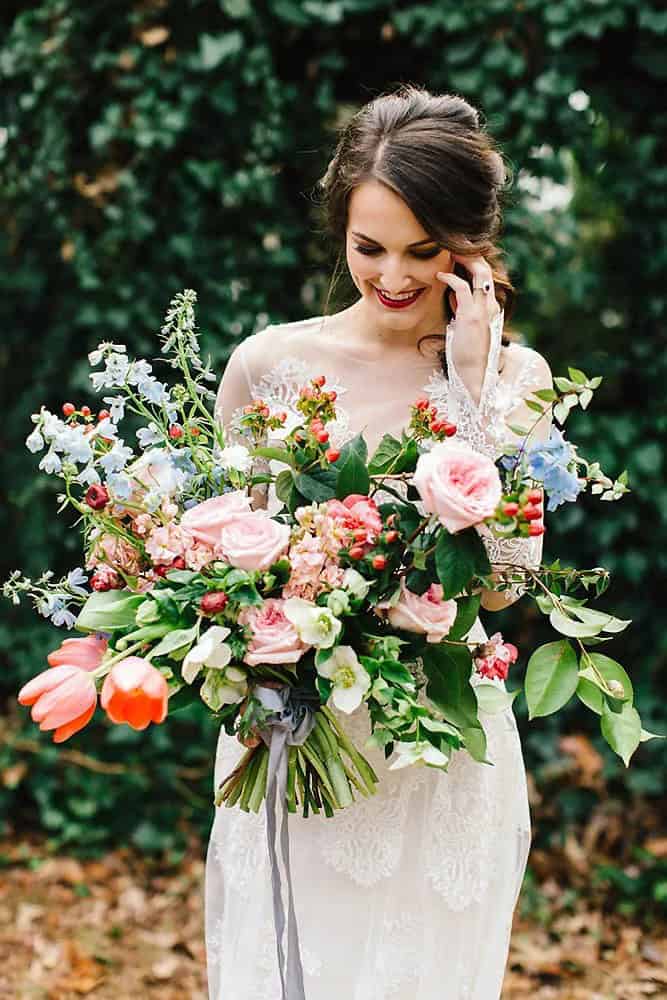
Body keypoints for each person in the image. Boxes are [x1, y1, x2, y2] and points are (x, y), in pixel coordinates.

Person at [205, 83, 553, 999]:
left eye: (423, 251)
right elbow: (212, 561)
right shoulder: (268, 365)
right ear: (339, 231)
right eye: (369, 248)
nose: (394, 277)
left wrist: (474, 398)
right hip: (298, 732)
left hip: (437, 748)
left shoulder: (517, 376)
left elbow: (504, 587)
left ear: (469, 248)